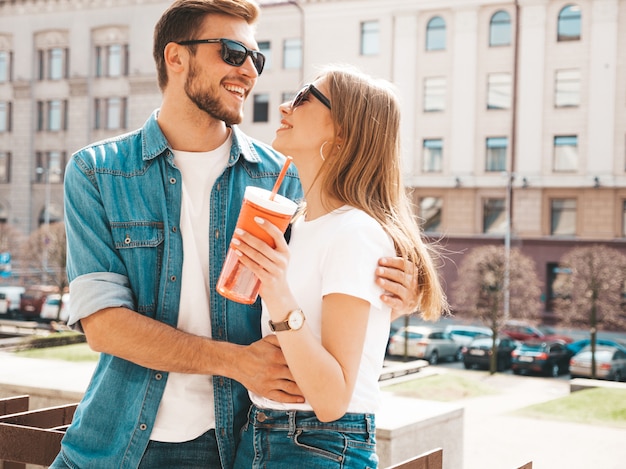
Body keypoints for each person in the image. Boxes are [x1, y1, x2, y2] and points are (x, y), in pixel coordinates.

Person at [51, 1, 420, 468]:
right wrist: (236, 361)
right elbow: (103, 325)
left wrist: (399, 290)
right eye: (232, 52)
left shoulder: (283, 178)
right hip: (113, 439)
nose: (249, 71)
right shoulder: (98, 171)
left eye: (256, 59)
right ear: (176, 57)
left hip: (235, 442)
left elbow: (332, 270)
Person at [231, 66, 448, 468]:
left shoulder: (356, 232)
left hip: (317, 442)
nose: (284, 105)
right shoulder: (299, 221)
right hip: (266, 434)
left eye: (304, 98)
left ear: (342, 134)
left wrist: (277, 292)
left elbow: (331, 400)